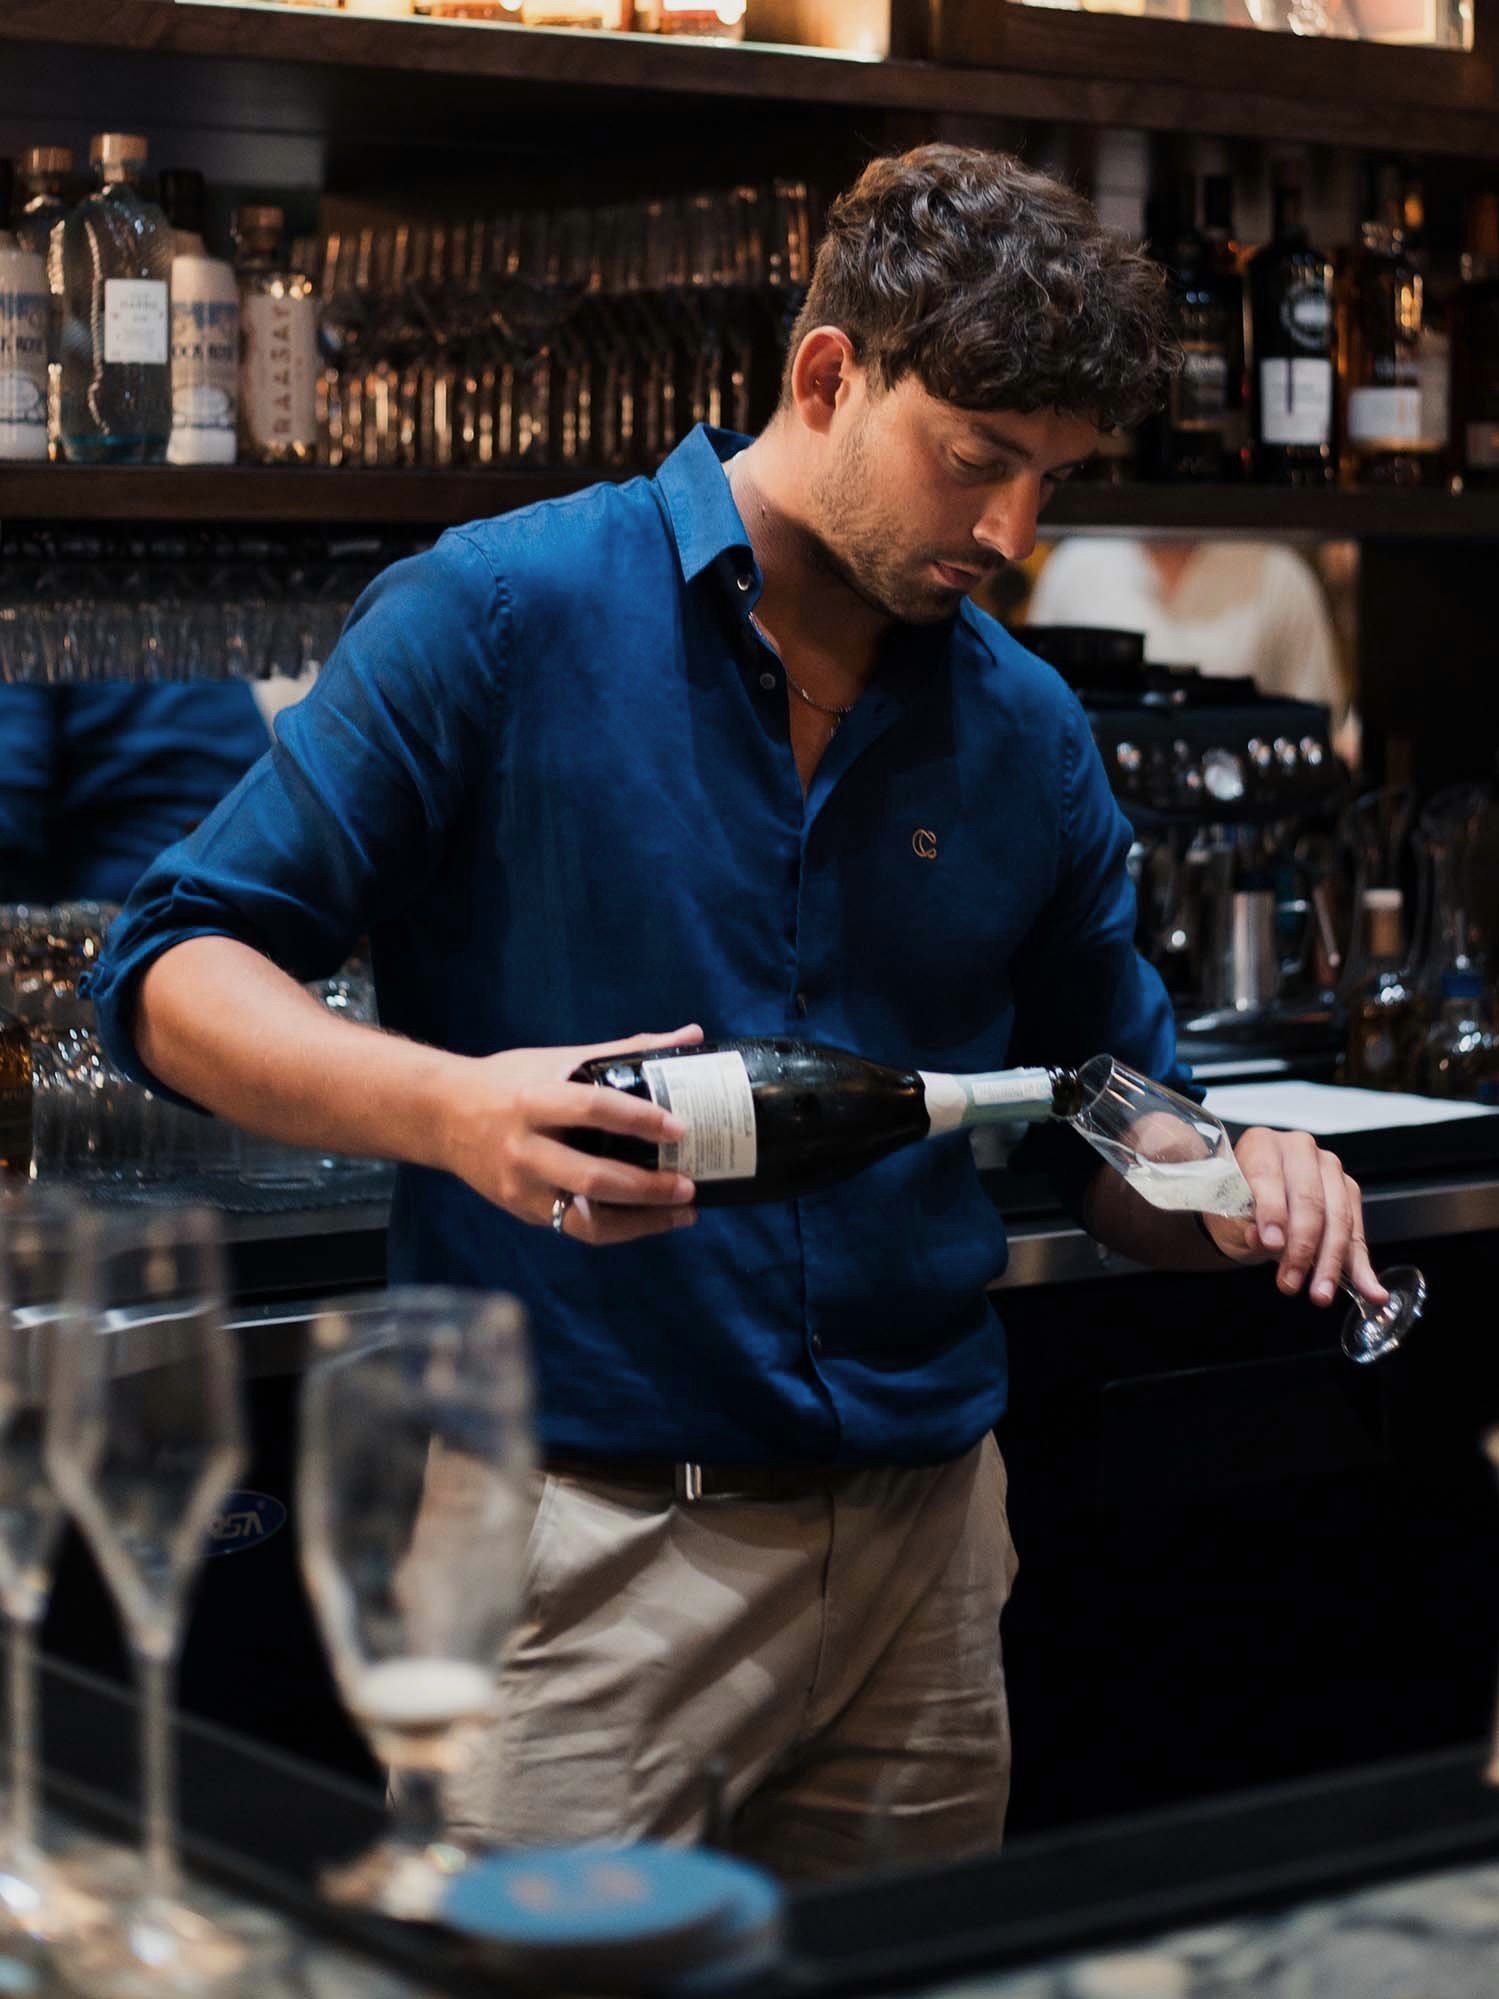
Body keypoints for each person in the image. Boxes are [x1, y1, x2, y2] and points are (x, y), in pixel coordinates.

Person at [86, 146, 1386, 1881]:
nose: (1007, 536)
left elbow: (1099, 1106)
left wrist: (1234, 1175)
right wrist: (450, 1107)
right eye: (975, 461)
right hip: (569, 1547)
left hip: (926, 1552)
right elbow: (170, 963)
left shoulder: (1020, 729)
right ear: (826, 374)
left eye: (1050, 483)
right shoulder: (500, 612)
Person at [1026, 534, 1362, 761]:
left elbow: (1318, 736)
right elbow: (1036, 731)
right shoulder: (1074, 566)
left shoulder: (1278, 572)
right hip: (1098, 834)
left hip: (1246, 840)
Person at [0, 683, 270, 904]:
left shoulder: (23, 627)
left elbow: (10, 808)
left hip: (144, 891)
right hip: (262, 875)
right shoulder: (173, 623)